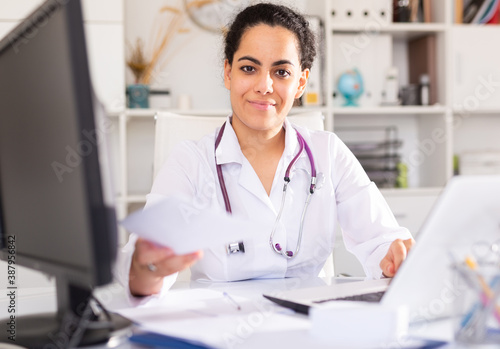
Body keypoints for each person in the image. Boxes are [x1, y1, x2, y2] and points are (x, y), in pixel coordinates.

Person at [120, 3, 414, 298]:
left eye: (282, 72)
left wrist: (393, 256)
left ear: (300, 83)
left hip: (306, 330)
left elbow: (381, 240)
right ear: (228, 73)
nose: (264, 85)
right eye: (249, 68)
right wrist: (147, 270)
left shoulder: (328, 153)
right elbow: (144, 264)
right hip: (220, 330)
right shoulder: (190, 161)